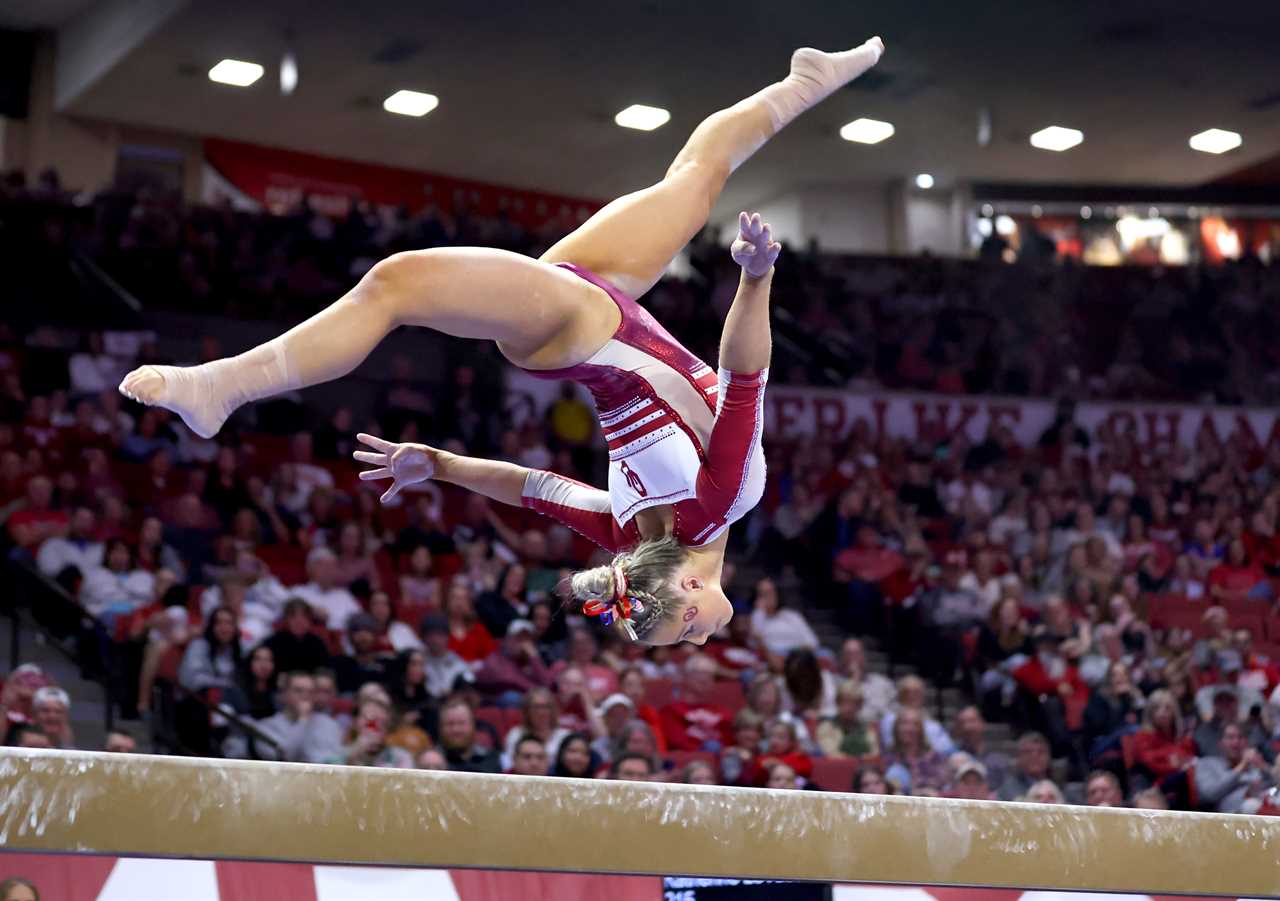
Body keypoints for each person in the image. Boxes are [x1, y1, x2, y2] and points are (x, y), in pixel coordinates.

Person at [124, 39, 889, 644]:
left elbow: (738, 376)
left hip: (581, 328)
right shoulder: (674, 514)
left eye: (685, 638)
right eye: (686, 640)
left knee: (396, 285)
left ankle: (224, 386)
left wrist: (755, 282)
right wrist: (444, 466)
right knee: (697, 175)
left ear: (687, 588)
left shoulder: (695, 511)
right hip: (597, 300)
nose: (699, 642)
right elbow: (538, 483)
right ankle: (806, 82)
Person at [230, 671, 343, 763]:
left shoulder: (327, 723)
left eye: (310, 691)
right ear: (284, 694)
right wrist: (302, 721)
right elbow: (288, 757)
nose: (305, 696)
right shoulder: (267, 726)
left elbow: (335, 758)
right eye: (298, 690)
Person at [1194, 721, 1275, 814]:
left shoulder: (1253, 764)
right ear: (1220, 743)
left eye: (1240, 737)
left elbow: (1275, 785)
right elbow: (1210, 794)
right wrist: (1242, 766)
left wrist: (1263, 766)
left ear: (1246, 742)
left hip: (1265, 807)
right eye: (1230, 737)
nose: (1236, 742)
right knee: (1251, 805)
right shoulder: (1206, 764)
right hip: (1227, 817)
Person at [749, 577, 820, 658]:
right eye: (763, 594)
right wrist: (759, 611)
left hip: (798, 655)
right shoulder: (757, 617)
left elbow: (812, 642)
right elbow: (755, 643)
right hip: (773, 656)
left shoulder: (792, 616)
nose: (768, 597)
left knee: (825, 654)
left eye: (771, 592)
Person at [263, 598, 331, 675]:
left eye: (304, 617)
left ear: (310, 620)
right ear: (286, 620)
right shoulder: (273, 642)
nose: (299, 621)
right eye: (293, 617)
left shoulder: (318, 643)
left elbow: (325, 671)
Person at [815, 679, 879, 758]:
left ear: (860, 706)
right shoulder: (826, 728)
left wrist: (863, 759)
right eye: (844, 702)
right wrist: (858, 759)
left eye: (854, 703)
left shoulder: (867, 728)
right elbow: (832, 755)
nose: (849, 708)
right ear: (837, 702)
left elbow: (875, 753)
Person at [438, 697, 501, 773]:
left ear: (473, 725)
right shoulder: (430, 762)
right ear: (440, 727)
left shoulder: (491, 759)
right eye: (450, 724)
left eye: (461, 723)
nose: (456, 729)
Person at [419, 614, 471, 700]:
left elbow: (467, 685)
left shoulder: (457, 661)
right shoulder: (417, 660)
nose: (435, 640)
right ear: (424, 638)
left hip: (451, 704)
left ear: (447, 637)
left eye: (440, 635)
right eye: (431, 635)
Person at [997, 732, 1053, 802]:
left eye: (1041, 752)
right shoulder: (1007, 791)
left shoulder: (1059, 789)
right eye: (1028, 752)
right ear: (1018, 757)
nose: (1035, 756)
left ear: (1049, 757)